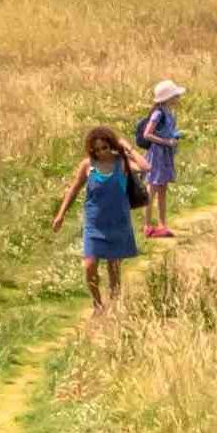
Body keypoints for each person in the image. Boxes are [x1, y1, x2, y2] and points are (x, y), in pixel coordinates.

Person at [51, 124, 143, 311]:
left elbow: (144, 167)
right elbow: (74, 189)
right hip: (94, 223)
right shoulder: (87, 165)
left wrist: (128, 148)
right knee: (89, 265)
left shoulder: (122, 162)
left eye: (105, 147)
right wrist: (61, 214)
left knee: (114, 267)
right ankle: (98, 304)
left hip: (118, 221)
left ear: (111, 145)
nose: (101, 152)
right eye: (96, 149)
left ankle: (115, 304)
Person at [135, 82, 184, 240]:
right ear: (168, 97)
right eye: (176, 95)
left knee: (162, 188)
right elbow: (147, 134)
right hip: (157, 154)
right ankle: (147, 226)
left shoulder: (168, 112)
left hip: (165, 154)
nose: (178, 98)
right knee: (152, 188)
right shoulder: (158, 113)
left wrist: (173, 138)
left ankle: (162, 224)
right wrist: (166, 142)